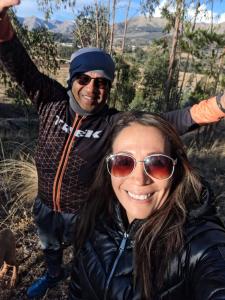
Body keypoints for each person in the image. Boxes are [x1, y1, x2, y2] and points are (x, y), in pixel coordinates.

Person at [0, 1, 225, 298]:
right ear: (72, 80)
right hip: (45, 203)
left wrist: (218, 106)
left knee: (85, 256)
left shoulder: (113, 123)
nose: (92, 88)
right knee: (49, 245)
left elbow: (172, 121)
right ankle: (52, 275)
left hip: (83, 211)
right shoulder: (50, 100)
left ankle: (79, 282)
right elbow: (19, 64)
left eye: (102, 82)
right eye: (84, 79)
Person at [69, 111, 225, 300]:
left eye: (158, 163)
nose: (140, 179)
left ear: (175, 169)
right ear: (108, 166)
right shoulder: (92, 218)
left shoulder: (201, 244)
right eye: (123, 162)